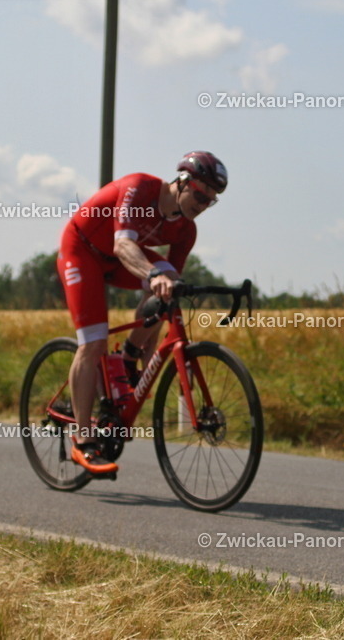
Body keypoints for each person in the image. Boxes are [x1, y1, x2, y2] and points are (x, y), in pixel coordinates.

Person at [57, 151, 227, 475]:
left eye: (211, 201)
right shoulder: (140, 188)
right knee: (93, 343)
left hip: (116, 261)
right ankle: (82, 440)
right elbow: (123, 246)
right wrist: (152, 275)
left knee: (171, 287)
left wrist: (148, 352)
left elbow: (163, 299)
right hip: (83, 251)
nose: (202, 204)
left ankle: (128, 356)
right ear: (182, 180)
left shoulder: (186, 231)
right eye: (200, 193)